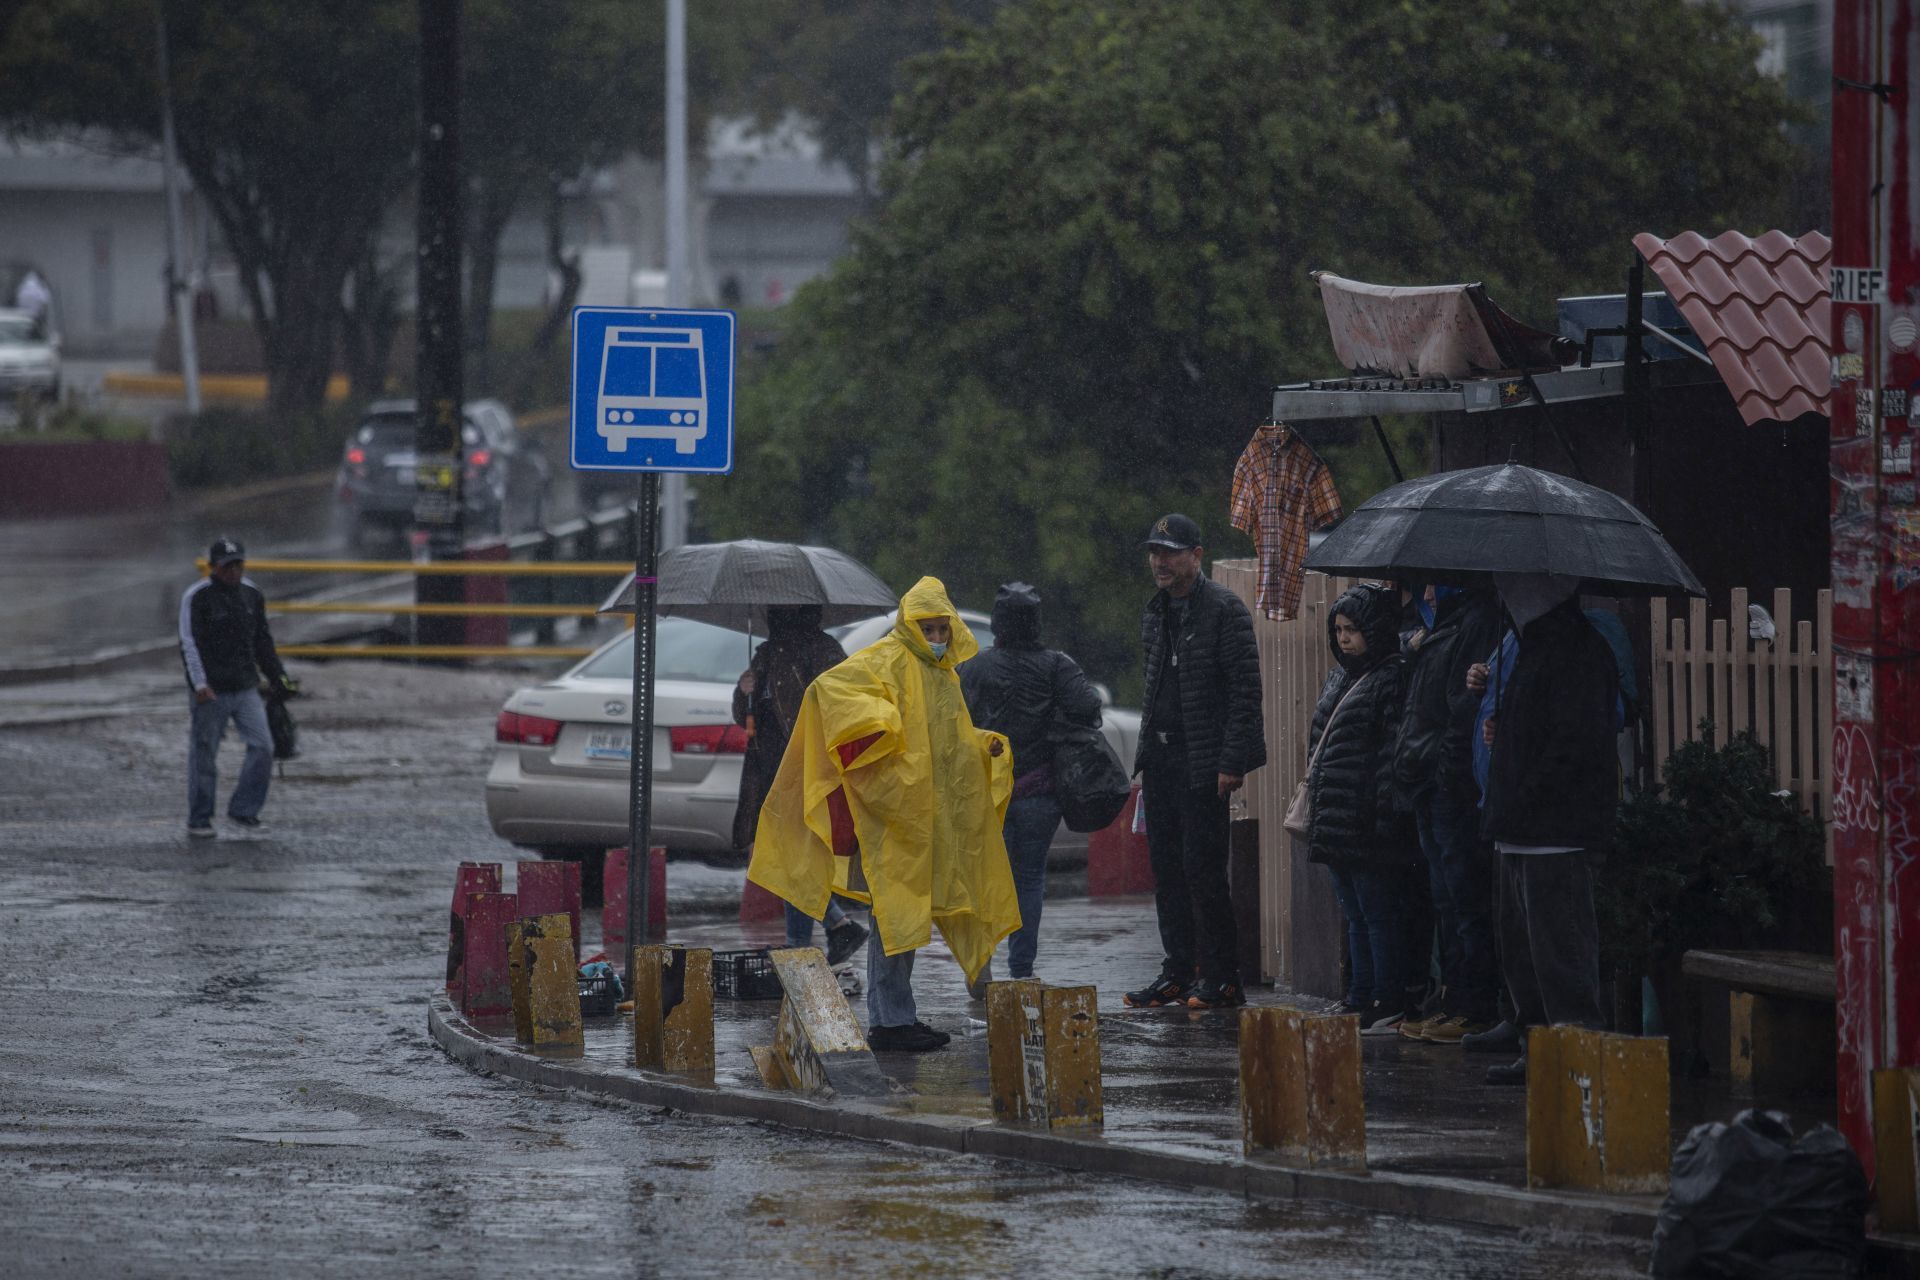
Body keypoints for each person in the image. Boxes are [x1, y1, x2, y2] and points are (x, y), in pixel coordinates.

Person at [747, 577, 1020, 1052]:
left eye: (941, 629)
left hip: (921, 818)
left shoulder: (943, 676)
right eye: (928, 629)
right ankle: (891, 1022)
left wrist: (981, 745)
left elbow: (941, 742)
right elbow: (831, 693)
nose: (936, 639)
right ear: (911, 625)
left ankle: (896, 1018)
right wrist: (877, 726)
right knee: (895, 915)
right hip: (892, 817)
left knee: (905, 917)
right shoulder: (887, 659)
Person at [1475, 573, 1620, 1086]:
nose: (1504, 591)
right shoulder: (1534, 645)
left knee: (1560, 945)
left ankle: (1574, 1044)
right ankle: (1536, 1041)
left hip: (1555, 828)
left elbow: (1573, 741)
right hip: (1520, 824)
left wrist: (1526, 786)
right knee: (1524, 948)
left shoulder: (1577, 650)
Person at [1124, 514, 1266, 1010]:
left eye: (1170, 551)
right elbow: (1154, 687)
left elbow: (1245, 692)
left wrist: (1232, 761)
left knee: (1203, 871)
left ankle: (1223, 977)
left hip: (1203, 762)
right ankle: (1179, 971)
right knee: (1167, 873)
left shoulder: (1224, 610)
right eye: (1155, 552)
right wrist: (1143, 756)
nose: (1159, 562)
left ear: (1196, 556)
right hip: (1161, 759)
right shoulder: (1156, 611)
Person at [960, 582, 1103, 980]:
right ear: (1037, 623)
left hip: (988, 796)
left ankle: (980, 967)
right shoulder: (1057, 665)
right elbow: (1089, 708)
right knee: (1029, 881)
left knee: (985, 881)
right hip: (1040, 793)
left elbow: (953, 721)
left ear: (997, 623)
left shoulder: (974, 667)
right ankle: (1021, 969)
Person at [1304, 583, 1419, 1033]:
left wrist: (1383, 814)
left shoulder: (1391, 677)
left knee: (1377, 913)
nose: (1345, 638)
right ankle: (1360, 992)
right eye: (1338, 630)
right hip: (1337, 816)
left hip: (1367, 819)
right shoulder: (1342, 677)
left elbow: (1390, 752)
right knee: (1354, 914)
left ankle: (1386, 996)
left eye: (1353, 629)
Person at [1392, 585, 1504, 1043]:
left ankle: (1472, 1004)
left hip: (1448, 778)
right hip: (1427, 774)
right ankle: (1455, 999)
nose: (1429, 591)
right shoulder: (1433, 626)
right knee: (1445, 894)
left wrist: (1441, 766)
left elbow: (1460, 706)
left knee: (1462, 894)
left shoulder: (1475, 622)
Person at [731, 604, 867, 965]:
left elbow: (844, 704)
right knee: (789, 856)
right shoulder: (764, 654)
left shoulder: (824, 651)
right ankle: (835, 926)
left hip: (808, 769)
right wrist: (744, 691)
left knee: (795, 855)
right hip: (768, 771)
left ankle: (804, 943)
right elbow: (745, 716)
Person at [179, 538, 293, 839]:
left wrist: (278, 677)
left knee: (263, 746)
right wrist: (199, 684)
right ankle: (200, 818)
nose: (234, 571)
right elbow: (189, 643)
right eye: (227, 566)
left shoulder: (252, 595)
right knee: (204, 754)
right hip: (212, 691)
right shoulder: (197, 597)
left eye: (238, 565)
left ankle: (244, 810)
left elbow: (262, 641)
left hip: (246, 687)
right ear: (214, 567)